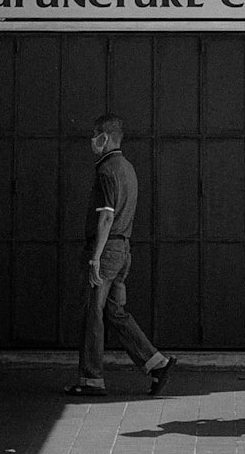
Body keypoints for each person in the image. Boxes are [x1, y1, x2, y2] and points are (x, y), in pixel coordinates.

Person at [65, 115, 175, 398]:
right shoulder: (127, 168)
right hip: (124, 249)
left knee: (92, 313)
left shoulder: (106, 170)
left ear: (106, 136)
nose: (92, 141)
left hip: (107, 249)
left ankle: (91, 378)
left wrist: (95, 259)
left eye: (95, 135)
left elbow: (105, 219)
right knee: (115, 312)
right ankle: (156, 363)